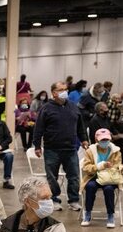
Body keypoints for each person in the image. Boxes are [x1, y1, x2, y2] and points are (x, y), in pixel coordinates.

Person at [33, 81, 87, 211]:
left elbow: (80, 126)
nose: (65, 92)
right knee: (52, 177)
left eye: (65, 89)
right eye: (61, 89)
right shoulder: (46, 108)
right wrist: (37, 146)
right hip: (52, 149)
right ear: (54, 93)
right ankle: (54, 199)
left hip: (70, 149)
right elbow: (38, 128)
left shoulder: (74, 107)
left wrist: (84, 139)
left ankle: (73, 200)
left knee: (74, 176)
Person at [80, 128, 122, 228]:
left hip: (110, 178)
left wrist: (114, 167)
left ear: (110, 139)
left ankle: (110, 215)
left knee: (108, 189)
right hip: (94, 176)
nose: (104, 142)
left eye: (106, 139)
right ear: (97, 140)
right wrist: (99, 166)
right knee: (90, 186)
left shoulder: (116, 151)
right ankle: (88, 213)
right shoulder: (90, 151)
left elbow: (118, 165)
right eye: (102, 140)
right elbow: (86, 168)